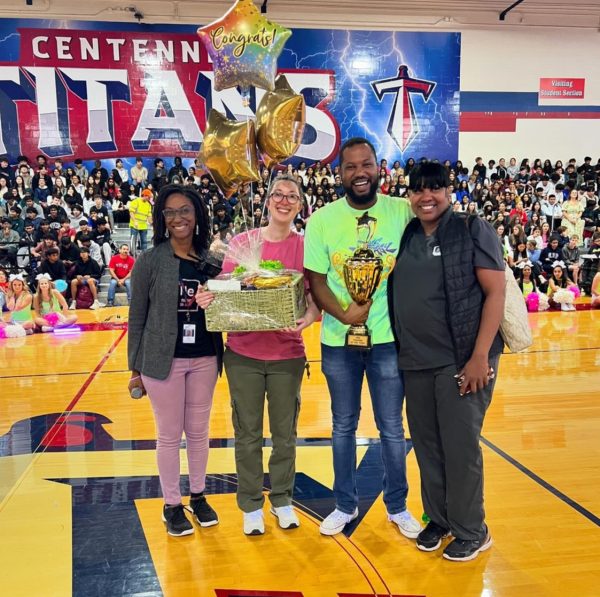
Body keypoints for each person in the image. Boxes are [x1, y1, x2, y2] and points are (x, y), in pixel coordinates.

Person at [388, 161, 505, 562]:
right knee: (427, 447)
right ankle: (439, 519)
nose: (426, 197)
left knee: (459, 449)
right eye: (419, 190)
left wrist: (478, 357)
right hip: (415, 362)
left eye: (435, 189)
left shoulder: (471, 229)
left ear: (449, 192)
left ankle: (473, 529)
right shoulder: (408, 235)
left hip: (459, 361)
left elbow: (495, 293)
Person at [304, 137, 420, 538]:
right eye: (350, 167)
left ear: (378, 167)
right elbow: (316, 282)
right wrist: (345, 313)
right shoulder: (322, 220)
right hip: (338, 341)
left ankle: (398, 505)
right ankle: (344, 504)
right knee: (342, 426)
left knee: (392, 426)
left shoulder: (401, 212)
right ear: (340, 173)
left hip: (389, 339)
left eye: (366, 164)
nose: (359, 173)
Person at [203, 175, 320, 535]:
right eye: (278, 195)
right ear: (267, 201)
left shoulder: (306, 247)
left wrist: (309, 318)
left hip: (287, 354)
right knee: (248, 433)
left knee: (285, 434)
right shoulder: (242, 243)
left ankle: (282, 499)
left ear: (300, 205)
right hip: (243, 353)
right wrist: (208, 298)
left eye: (292, 197)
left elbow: (316, 298)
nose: (285, 201)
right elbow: (223, 290)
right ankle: (251, 503)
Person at [127, 185, 223, 537]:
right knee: (169, 435)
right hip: (160, 361)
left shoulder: (213, 261)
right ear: (161, 219)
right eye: (170, 212)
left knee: (199, 433)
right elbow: (136, 317)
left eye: (185, 210)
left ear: (197, 215)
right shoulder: (150, 261)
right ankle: (171, 505)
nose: (178, 218)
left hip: (205, 356)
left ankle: (198, 496)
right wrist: (134, 369)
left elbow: (227, 308)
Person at [129, 189, 153, 254]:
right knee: (133, 241)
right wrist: (135, 221)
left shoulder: (148, 205)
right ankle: (133, 255)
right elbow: (131, 212)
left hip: (143, 226)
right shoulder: (136, 201)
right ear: (145, 195)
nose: (149, 199)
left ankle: (144, 256)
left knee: (144, 242)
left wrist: (152, 223)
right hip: (134, 225)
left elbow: (149, 216)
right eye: (148, 197)